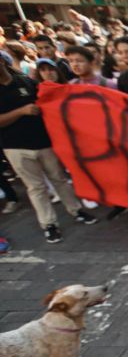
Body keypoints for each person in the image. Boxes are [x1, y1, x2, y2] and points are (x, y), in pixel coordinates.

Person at [0, 55, 98, 243]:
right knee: (36, 187)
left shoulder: (25, 81)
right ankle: (49, 224)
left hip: (44, 141)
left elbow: (50, 98)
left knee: (59, 178)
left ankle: (76, 210)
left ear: (2, 61)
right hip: (15, 147)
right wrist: (21, 111)